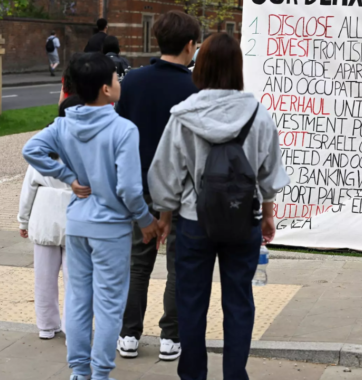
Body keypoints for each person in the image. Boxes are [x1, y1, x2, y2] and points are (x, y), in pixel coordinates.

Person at [147, 33, 289, 380]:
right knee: (239, 301)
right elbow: (269, 172)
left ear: (203, 66)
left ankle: (193, 374)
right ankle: (234, 375)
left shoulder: (183, 116)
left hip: (194, 222)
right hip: (244, 220)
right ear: (238, 68)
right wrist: (268, 214)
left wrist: (165, 217)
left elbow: (165, 173)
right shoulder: (258, 114)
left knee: (191, 301)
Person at [22, 53, 159, 380]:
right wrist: (145, 220)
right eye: (115, 78)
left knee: (79, 300)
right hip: (111, 228)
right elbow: (128, 187)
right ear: (106, 90)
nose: (118, 82)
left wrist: (67, 176)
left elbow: (31, 150)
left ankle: (80, 373)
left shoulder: (63, 124)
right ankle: (100, 374)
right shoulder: (124, 129)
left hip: (78, 223)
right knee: (110, 305)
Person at [114, 10, 200, 362]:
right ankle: (170, 337)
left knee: (137, 262)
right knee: (179, 265)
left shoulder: (131, 82)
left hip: (138, 189)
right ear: (190, 46)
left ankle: (129, 334)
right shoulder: (195, 87)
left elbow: (118, 134)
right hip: (181, 190)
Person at [17, 96, 83, 341]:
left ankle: (46, 325)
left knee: (44, 278)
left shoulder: (42, 145)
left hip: (44, 215)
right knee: (75, 279)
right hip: (76, 217)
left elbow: (28, 189)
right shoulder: (88, 145)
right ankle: (73, 326)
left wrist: (23, 222)